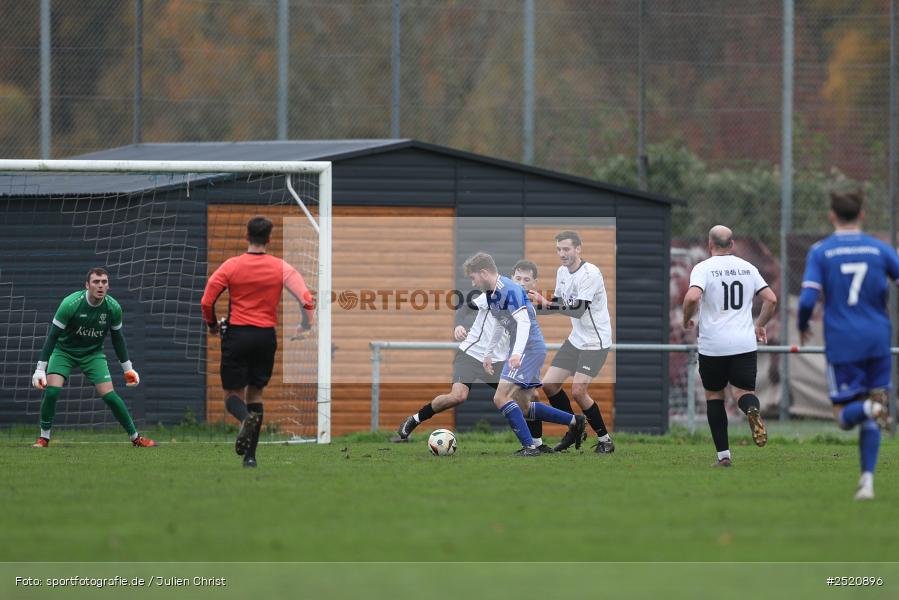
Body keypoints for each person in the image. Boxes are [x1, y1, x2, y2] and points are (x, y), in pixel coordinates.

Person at [392, 260, 552, 452]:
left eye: (526, 280)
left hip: (497, 360)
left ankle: (537, 444)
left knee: (531, 396)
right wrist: (458, 325)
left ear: (534, 283)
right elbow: (464, 308)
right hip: (471, 354)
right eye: (518, 278)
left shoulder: (523, 304)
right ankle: (414, 420)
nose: (521, 283)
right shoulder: (496, 294)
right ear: (511, 278)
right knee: (458, 396)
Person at [798, 191, 894, 500]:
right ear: (862, 215)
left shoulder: (821, 252)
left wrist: (802, 325)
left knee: (843, 416)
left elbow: (808, 299)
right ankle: (867, 482)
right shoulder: (880, 249)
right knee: (872, 412)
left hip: (843, 341)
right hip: (878, 339)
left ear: (832, 216)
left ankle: (868, 408)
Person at [201, 216, 315, 468]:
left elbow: (207, 301)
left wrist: (212, 325)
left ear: (247, 237)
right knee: (256, 394)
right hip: (265, 337)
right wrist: (306, 325)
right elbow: (307, 300)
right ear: (269, 239)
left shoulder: (231, 266)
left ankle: (244, 419)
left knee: (233, 395)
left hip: (237, 335)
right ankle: (250, 458)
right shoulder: (281, 268)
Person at [466, 252, 586, 457]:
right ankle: (575, 421)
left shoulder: (509, 290)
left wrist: (516, 354)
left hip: (528, 350)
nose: (473, 282)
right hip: (526, 350)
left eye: (473, 277)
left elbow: (523, 322)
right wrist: (488, 353)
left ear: (484, 273)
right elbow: (499, 324)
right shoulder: (492, 293)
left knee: (501, 397)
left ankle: (530, 447)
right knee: (524, 405)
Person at [682, 225, 777, 467]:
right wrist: (760, 325)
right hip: (744, 344)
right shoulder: (748, 268)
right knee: (743, 393)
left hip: (713, 345)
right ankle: (752, 410)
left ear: (709, 244)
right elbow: (771, 299)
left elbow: (692, 297)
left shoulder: (703, 268)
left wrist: (686, 319)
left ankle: (723, 456)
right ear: (732, 244)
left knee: (715, 396)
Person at [30, 267, 156, 448]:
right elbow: (52, 336)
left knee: (110, 396)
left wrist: (128, 369)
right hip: (64, 352)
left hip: (92, 354)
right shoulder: (70, 304)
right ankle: (44, 438)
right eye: (96, 282)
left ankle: (135, 438)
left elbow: (118, 339)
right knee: (52, 392)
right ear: (87, 285)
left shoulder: (113, 308)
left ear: (108, 286)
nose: (100, 285)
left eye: (104, 282)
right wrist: (40, 369)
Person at [528, 231, 616, 453]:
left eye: (566, 249)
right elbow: (557, 304)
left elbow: (577, 310)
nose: (562, 254)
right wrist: (528, 308)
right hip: (576, 339)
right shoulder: (562, 272)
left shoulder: (590, 273)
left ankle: (605, 440)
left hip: (595, 342)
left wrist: (546, 303)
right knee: (549, 385)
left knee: (578, 391)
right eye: (558, 249)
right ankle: (575, 427)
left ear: (578, 249)